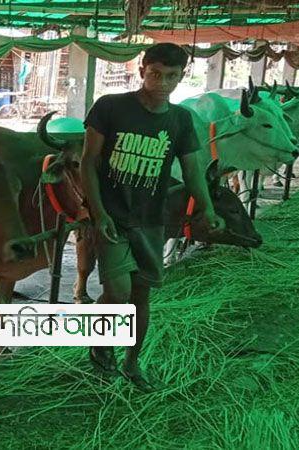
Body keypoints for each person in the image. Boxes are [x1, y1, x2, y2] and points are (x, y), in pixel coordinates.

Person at [80, 43, 225, 392]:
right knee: (118, 292)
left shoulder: (180, 119)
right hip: (113, 216)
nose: (162, 83)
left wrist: (207, 207)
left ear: (181, 77)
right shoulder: (110, 107)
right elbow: (88, 162)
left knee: (141, 296)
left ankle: (132, 362)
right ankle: (101, 346)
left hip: (151, 220)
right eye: (155, 74)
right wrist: (98, 213)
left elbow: (192, 169)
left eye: (171, 76)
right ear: (142, 69)